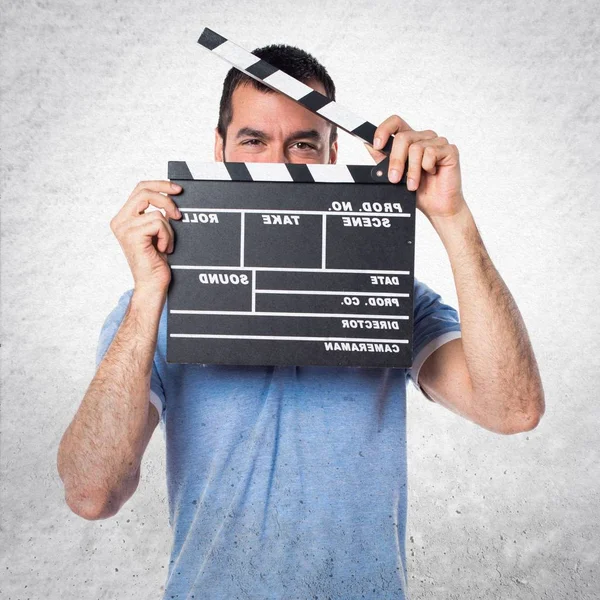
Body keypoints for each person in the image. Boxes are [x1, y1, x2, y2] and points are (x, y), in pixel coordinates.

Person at [57, 43, 545, 599]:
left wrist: (452, 216)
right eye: (253, 140)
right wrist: (149, 297)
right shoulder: (147, 315)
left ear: (333, 152)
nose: (278, 164)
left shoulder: (391, 296)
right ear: (218, 149)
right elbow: (92, 494)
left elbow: (514, 409)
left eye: (303, 144)